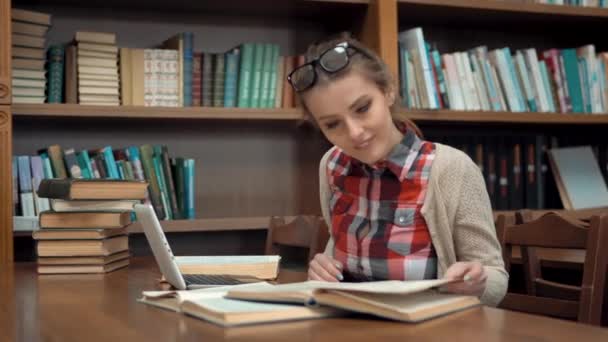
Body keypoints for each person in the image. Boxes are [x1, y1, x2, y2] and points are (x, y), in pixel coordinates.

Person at [287, 35, 507, 306]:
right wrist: (324, 268)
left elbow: (496, 280)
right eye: (333, 125)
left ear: (389, 91)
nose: (355, 133)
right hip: (348, 327)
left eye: (363, 108)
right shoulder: (331, 165)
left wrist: (477, 282)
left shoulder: (452, 169)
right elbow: (339, 246)